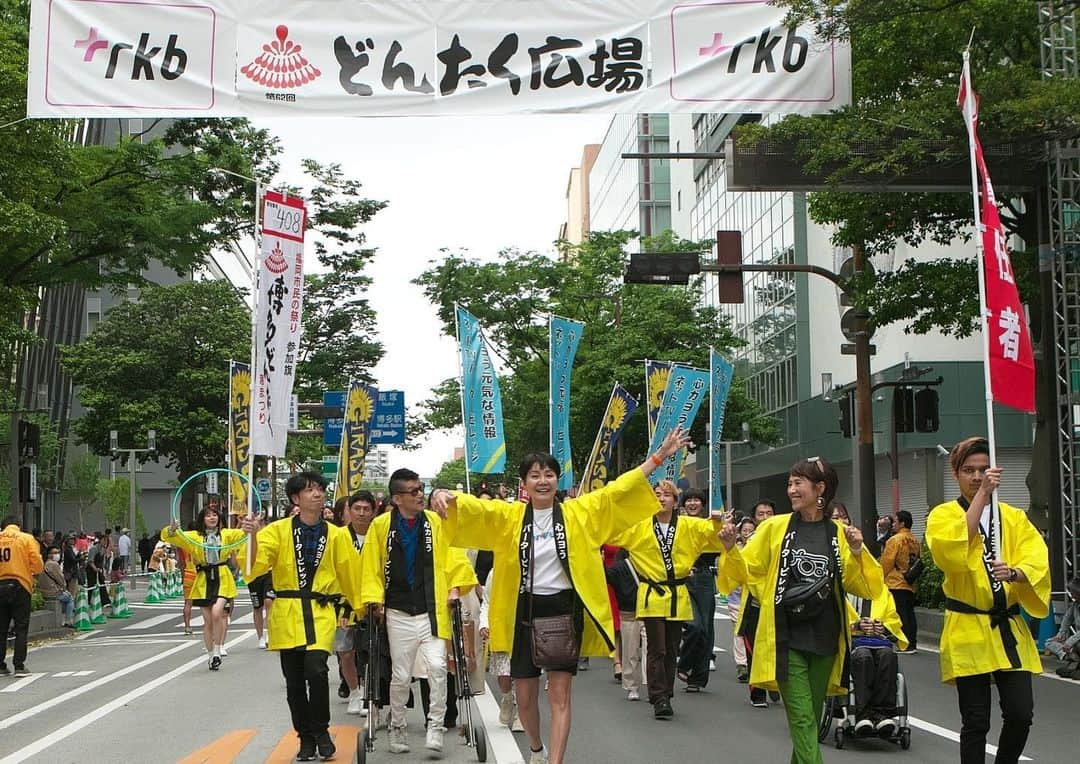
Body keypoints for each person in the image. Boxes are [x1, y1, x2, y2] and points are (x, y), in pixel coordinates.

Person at [432, 426, 691, 764]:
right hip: (522, 611)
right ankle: (537, 751)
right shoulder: (509, 516)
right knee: (524, 697)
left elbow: (617, 490)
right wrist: (439, 493)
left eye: (549, 474)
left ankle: (556, 761)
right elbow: (470, 508)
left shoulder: (577, 513)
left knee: (560, 694)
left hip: (563, 610)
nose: (543, 481)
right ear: (524, 484)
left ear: (558, 480)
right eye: (535, 475)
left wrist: (658, 457)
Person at [717, 457, 884, 764]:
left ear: (819, 489)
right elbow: (747, 570)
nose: (791, 490)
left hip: (825, 638)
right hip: (785, 637)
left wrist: (859, 551)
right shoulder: (774, 528)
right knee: (804, 719)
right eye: (790, 483)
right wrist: (729, 550)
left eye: (798, 483)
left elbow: (864, 586)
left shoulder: (838, 534)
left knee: (808, 719)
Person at [925, 437, 1050, 764]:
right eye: (969, 470)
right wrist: (982, 496)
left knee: (1021, 713)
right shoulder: (942, 515)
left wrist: (1016, 573)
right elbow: (950, 553)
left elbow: (1036, 558)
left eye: (983, 470)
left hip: (1007, 625)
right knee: (976, 721)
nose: (977, 477)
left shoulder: (1011, 517)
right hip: (967, 628)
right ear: (956, 474)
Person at [240, 471, 363, 762]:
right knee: (294, 681)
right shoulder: (277, 531)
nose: (318, 494)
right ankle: (304, 736)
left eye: (320, 489)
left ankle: (321, 731)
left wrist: (354, 607)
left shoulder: (336, 534)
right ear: (296, 498)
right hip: (287, 611)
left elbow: (351, 573)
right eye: (310, 490)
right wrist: (253, 535)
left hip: (320, 612)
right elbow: (255, 567)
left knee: (317, 670)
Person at [359, 469, 477, 757]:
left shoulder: (435, 522)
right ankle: (397, 726)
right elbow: (371, 567)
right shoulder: (381, 526)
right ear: (397, 498)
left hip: (431, 609)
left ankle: (434, 725)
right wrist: (375, 600)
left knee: (437, 667)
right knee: (400, 676)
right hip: (398, 611)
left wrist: (454, 589)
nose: (420, 494)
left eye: (420, 488)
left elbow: (453, 555)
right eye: (413, 491)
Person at [611, 480, 726, 717]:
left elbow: (713, 535)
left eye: (667, 495)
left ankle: (667, 692)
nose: (661, 499)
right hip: (652, 594)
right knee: (657, 647)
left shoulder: (688, 525)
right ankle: (659, 696)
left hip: (677, 594)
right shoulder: (640, 526)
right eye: (657, 495)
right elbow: (614, 532)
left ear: (676, 501)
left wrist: (718, 520)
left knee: (672, 648)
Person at [163, 506, 246, 669]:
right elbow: (171, 537)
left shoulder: (227, 534)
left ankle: (218, 649)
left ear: (219, 518)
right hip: (203, 579)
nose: (212, 518)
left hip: (222, 576)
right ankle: (211, 655)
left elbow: (244, 535)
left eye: (215, 515)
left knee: (217, 613)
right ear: (202, 519)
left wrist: (248, 524)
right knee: (208, 621)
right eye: (208, 515)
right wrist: (171, 529)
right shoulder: (194, 537)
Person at [675, 487, 720, 694]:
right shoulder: (677, 525)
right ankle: (684, 663)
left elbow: (722, 547)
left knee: (706, 629)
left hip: (704, 578)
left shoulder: (710, 524)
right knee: (694, 625)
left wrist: (721, 524)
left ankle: (698, 677)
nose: (693, 503)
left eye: (697, 500)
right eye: (689, 500)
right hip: (683, 577)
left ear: (703, 504)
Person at [847, 584, 907, 736]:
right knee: (863, 657)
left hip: (879, 641)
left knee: (888, 656)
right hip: (853, 641)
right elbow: (835, 618)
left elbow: (893, 618)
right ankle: (863, 714)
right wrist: (855, 625)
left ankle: (883, 714)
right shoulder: (845, 590)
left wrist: (884, 628)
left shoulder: (883, 592)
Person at [336, 491, 376, 715]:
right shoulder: (337, 536)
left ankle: (370, 691)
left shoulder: (379, 535)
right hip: (344, 605)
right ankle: (354, 691)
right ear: (348, 511)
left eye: (366, 509)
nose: (361, 513)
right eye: (357, 508)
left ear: (373, 511)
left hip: (373, 603)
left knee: (372, 650)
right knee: (346, 651)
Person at [0, 516, 44, 676]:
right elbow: (37, 564)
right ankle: (19, 665)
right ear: (18, 525)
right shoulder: (26, 538)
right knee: (21, 627)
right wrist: (31, 569)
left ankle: (0, 665)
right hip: (20, 583)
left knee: (1, 628)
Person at [605, 547, 642, 701]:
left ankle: (651, 684)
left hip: (648, 607)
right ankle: (630, 680)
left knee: (650, 650)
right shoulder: (620, 566)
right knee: (631, 647)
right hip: (631, 608)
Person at [880, 509, 920, 653]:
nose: (893, 525)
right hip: (910, 582)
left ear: (902, 523)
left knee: (900, 614)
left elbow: (887, 562)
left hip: (896, 582)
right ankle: (912, 642)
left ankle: (905, 643)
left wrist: (879, 577)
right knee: (909, 613)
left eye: (895, 521)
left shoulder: (894, 540)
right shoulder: (915, 540)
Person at [1045, 576, 1080, 677]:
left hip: (1077, 640)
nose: (1072, 594)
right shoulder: (1075, 605)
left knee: (1077, 645)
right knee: (1049, 642)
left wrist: (1070, 642)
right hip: (1076, 641)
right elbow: (1066, 620)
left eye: (1073, 592)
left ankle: (1073, 656)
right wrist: (1061, 634)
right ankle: (1071, 656)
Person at [37, 545, 75, 628]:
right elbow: (61, 580)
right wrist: (64, 588)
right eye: (55, 553)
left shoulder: (43, 564)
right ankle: (68, 621)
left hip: (43, 592)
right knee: (70, 599)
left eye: (58, 552)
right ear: (49, 554)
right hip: (53, 593)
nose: (57, 554)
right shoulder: (54, 564)